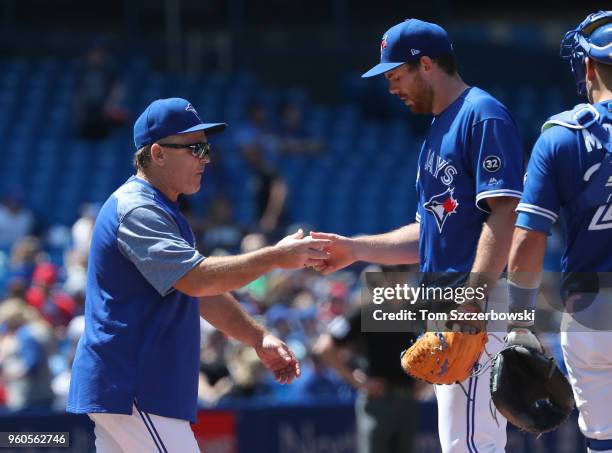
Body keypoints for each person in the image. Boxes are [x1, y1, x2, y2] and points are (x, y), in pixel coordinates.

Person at [66, 97, 331, 452]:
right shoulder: (137, 209)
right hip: (136, 385)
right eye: (194, 148)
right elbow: (199, 279)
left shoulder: (161, 209)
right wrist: (276, 257)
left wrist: (257, 337)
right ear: (157, 154)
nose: (206, 158)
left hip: (132, 387)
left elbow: (199, 291)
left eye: (206, 147)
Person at [312, 19, 524, 452]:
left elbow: (505, 213)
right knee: (463, 441)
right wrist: (354, 249)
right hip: (448, 299)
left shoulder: (481, 115)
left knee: (471, 443)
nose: (391, 88)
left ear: (426, 64)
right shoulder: (435, 133)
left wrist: (474, 296)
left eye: (395, 75)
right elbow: (428, 231)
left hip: (471, 300)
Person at [506, 11, 612, 453]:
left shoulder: (563, 135)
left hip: (593, 310)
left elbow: (530, 239)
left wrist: (518, 322)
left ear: (588, 67)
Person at [313, 266, 419, 453]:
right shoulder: (364, 312)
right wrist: (356, 380)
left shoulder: (412, 312)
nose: (400, 281)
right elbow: (324, 347)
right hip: (378, 400)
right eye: (393, 276)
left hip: (407, 399)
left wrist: (425, 383)